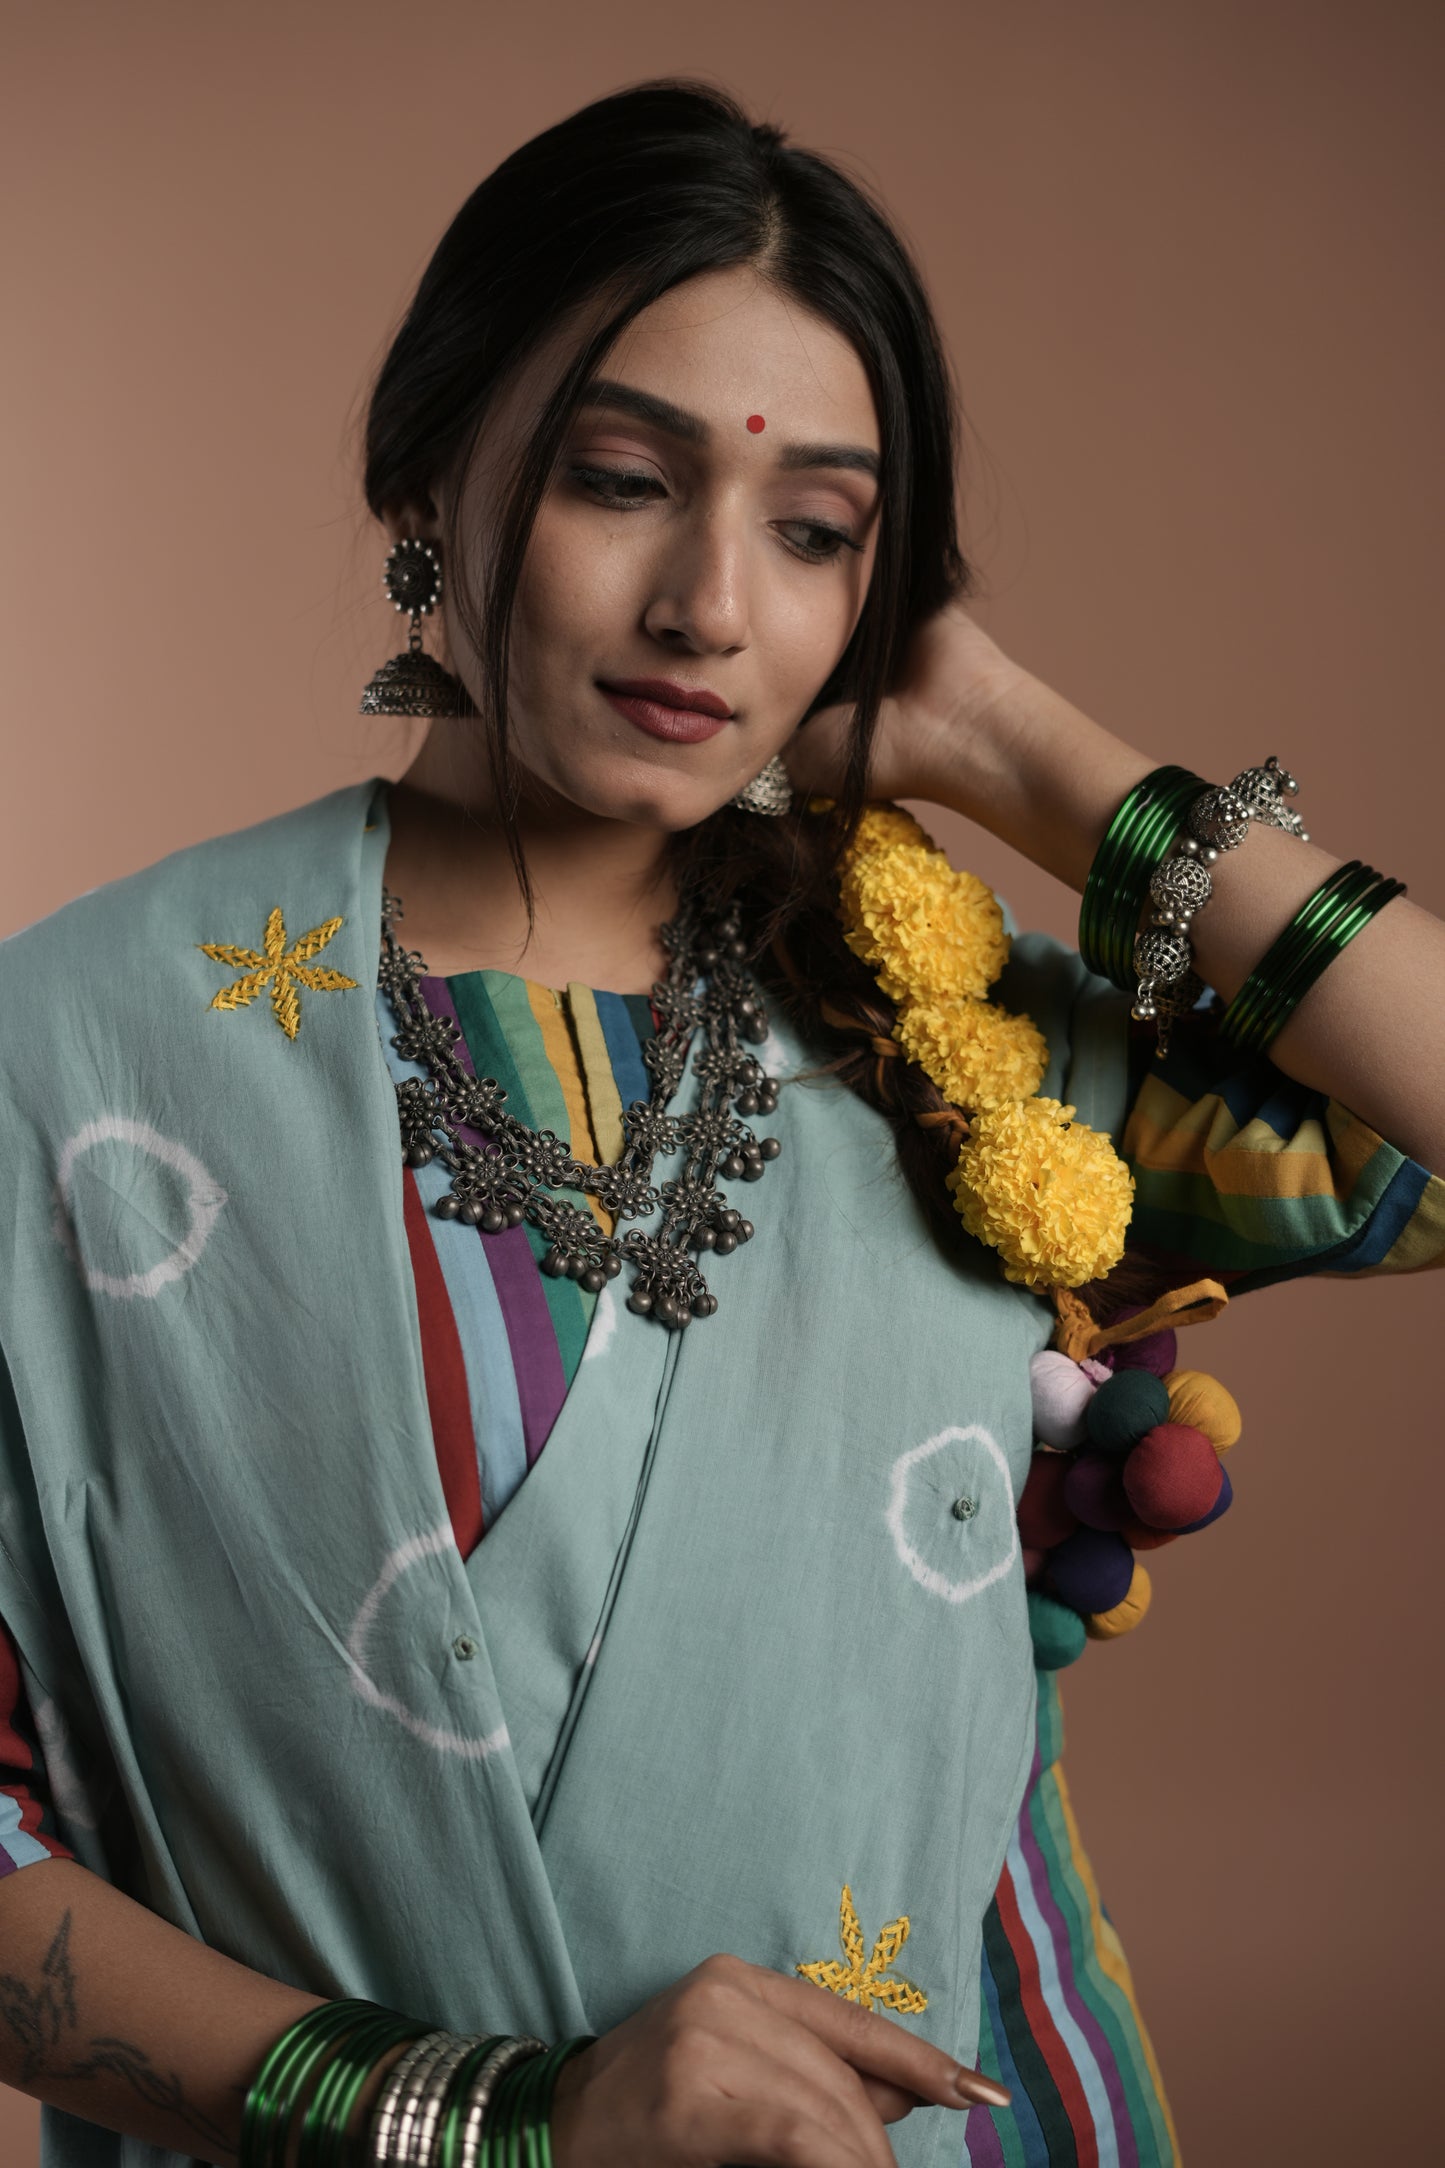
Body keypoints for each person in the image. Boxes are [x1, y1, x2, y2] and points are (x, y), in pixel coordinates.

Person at [0, 77, 1440, 2168]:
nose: (711, 604)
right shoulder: (78, 1056)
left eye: (816, 532)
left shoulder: (945, 1039)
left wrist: (1031, 754)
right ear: (430, 464)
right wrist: (505, 2124)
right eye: (617, 480)